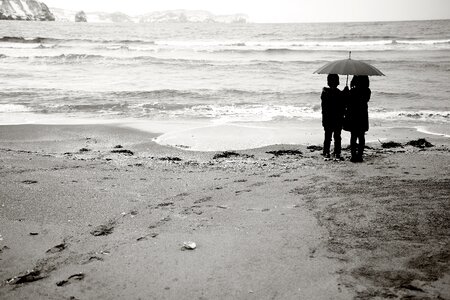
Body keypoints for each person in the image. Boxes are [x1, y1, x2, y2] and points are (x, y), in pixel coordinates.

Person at [343, 75, 371, 162]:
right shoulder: (366, 91)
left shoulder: (353, 91)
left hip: (353, 115)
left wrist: (346, 93)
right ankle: (358, 155)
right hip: (361, 115)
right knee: (360, 136)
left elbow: (347, 103)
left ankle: (354, 155)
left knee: (354, 136)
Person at [320, 74, 345, 161]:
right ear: (338, 82)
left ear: (328, 82)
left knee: (327, 136)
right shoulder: (339, 93)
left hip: (327, 118)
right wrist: (345, 93)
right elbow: (343, 106)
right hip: (338, 118)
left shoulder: (325, 93)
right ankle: (337, 153)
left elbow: (324, 107)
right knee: (337, 137)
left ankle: (326, 152)